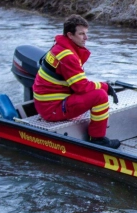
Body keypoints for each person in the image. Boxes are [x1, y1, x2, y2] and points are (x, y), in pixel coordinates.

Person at [32, 14, 120, 149]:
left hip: (47, 102)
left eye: (86, 33)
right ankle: (97, 139)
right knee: (100, 96)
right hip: (52, 108)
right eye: (81, 34)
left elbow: (76, 82)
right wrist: (105, 86)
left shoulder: (59, 47)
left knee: (96, 91)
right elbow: (80, 86)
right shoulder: (68, 56)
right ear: (70, 35)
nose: (86, 38)